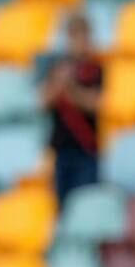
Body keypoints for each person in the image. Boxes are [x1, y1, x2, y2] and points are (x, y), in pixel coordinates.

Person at [40, 12, 104, 209]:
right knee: (62, 207)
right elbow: (43, 102)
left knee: (85, 206)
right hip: (62, 150)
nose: (78, 43)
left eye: (82, 37)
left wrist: (72, 89)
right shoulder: (57, 68)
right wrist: (60, 82)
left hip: (86, 149)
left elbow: (96, 103)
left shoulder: (95, 70)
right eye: (73, 37)